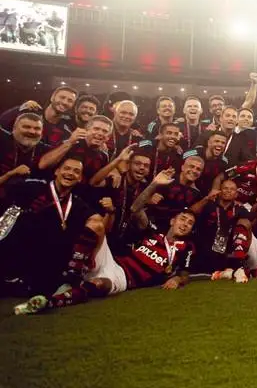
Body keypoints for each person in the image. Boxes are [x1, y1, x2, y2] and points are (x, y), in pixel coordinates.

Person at [14, 209, 197, 314]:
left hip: (123, 278)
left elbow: (185, 273)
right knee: (96, 224)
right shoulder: (152, 233)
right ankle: (71, 278)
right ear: (173, 220)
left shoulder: (186, 247)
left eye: (190, 223)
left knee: (100, 284)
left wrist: (177, 279)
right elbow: (135, 208)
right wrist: (155, 184)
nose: (185, 224)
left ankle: (50, 302)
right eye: (183, 219)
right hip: (112, 261)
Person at [0, 158, 102, 298]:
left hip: (46, 261)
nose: (70, 173)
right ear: (56, 171)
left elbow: (98, 224)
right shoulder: (32, 187)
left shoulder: (77, 203)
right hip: (15, 251)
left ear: (80, 179)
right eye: (66, 168)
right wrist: (10, 174)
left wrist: (90, 258)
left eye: (76, 171)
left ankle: (69, 277)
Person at [38, 115, 112, 183]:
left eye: (104, 131)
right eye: (96, 129)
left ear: (108, 137)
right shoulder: (71, 143)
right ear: (87, 130)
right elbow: (42, 164)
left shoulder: (103, 157)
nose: (100, 133)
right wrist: (70, 142)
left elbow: (94, 182)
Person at [0, 85, 77, 146]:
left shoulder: (66, 130)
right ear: (52, 98)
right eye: (62, 97)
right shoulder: (28, 112)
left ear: (73, 105)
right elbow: (2, 123)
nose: (65, 102)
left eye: (70, 101)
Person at [0, 113, 48, 190]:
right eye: (26, 127)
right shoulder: (2, 141)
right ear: (14, 128)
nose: (32, 132)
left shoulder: (46, 151)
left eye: (37, 128)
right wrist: (9, 174)